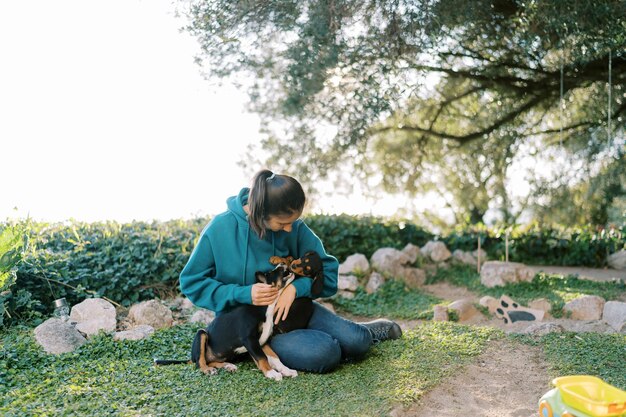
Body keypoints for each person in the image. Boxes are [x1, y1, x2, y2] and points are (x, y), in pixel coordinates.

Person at [179, 169, 402, 373]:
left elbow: (329, 273)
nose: (289, 229)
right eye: (281, 223)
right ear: (260, 213)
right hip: (255, 330)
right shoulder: (219, 229)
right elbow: (192, 282)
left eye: (292, 222)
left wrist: (296, 287)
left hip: (300, 311)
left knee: (358, 341)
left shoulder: (294, 226)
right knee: (325, 354)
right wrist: (243, 294)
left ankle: (359, 333)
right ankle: (334, 338)